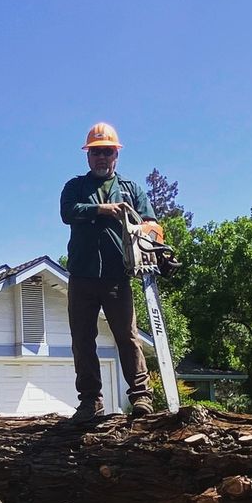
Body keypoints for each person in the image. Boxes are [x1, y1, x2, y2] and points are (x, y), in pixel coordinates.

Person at [60, 121, 155, 423]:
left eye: (108, 152)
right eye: (96, 152)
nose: (102, 157)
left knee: (127, 337)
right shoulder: (75, 187)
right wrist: (100, 210)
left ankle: (141, 398)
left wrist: (149, 236)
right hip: (82, 276)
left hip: (117, 276)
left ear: (117, 155)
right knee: (83, 340)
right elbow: (67, 212)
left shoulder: (132, 189)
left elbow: (152, 224)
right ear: (88, 156)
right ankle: (90, 402)